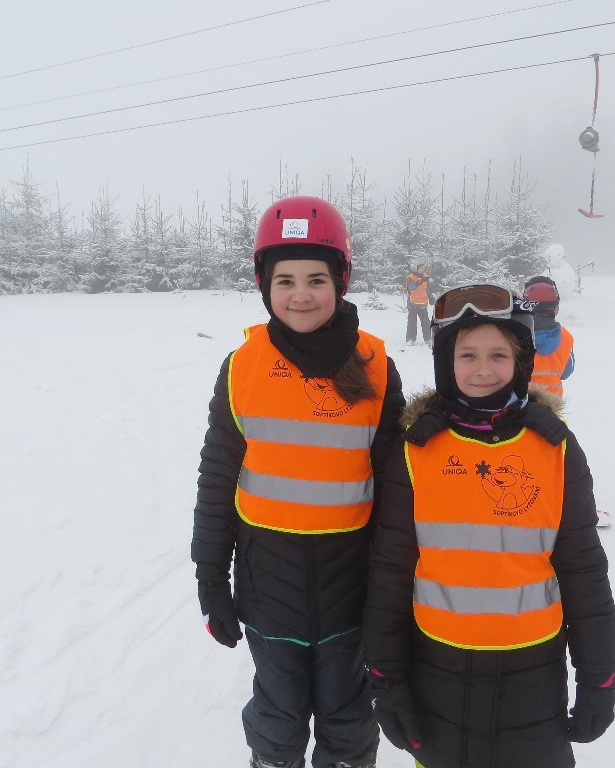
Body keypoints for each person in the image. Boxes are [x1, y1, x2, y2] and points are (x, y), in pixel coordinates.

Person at [362, 283, 615, 768]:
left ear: (521, 362)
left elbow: (584, 571)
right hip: (435, 670)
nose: (483, 369)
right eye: (468, 354)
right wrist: (386, 680)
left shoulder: (556, 449)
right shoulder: (415, 451)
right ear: (446, 361)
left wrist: (599, 677)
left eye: (498, 355)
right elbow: (389, 573)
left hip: (533, 674)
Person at [191, 195, 405, 768]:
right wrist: (211, 578)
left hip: (352, 584)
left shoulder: (375, 366)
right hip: (268, 583)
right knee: (278, 709)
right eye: (285, 280)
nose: (301, 295)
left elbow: (396, 488)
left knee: (348, 709)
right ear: (265, 285)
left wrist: (395, 586)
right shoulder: (242, 367)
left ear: (341, 281)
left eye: (317, 279)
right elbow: (217, 480)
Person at [523, 275, 575, 397]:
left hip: (520, 401)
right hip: (552, 403)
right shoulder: (566, 337)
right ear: (555, 307)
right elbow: (567, 372)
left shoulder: (515, 333)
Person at [404, 264, 433, 347]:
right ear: (416, 269)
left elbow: (428, 289)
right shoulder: (410, 277)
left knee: (426, 322)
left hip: (423, 305)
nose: (422, 270)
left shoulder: (426, 277)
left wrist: (431, 297)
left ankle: (428, 339)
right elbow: (412, 287)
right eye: (420, 268)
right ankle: (411, 339)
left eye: (423, 268)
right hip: (412, 304)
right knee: (412, 322)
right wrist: (421, 280)